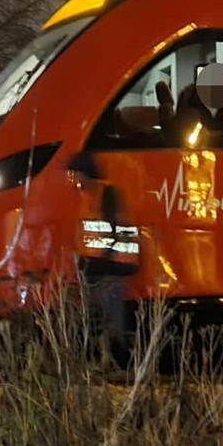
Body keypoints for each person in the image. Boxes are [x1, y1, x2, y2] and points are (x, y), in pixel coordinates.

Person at [66, 152, 139, 362]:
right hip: (99, 267)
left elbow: (112, 231)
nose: (73, 179)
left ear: (85, 174)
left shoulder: (106, 194)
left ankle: (121, 360)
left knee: (112, 319)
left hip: (112, 267)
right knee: (99, 318)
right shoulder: (87, 196)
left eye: (75, 174)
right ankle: (107, 359)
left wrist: (98, 261)